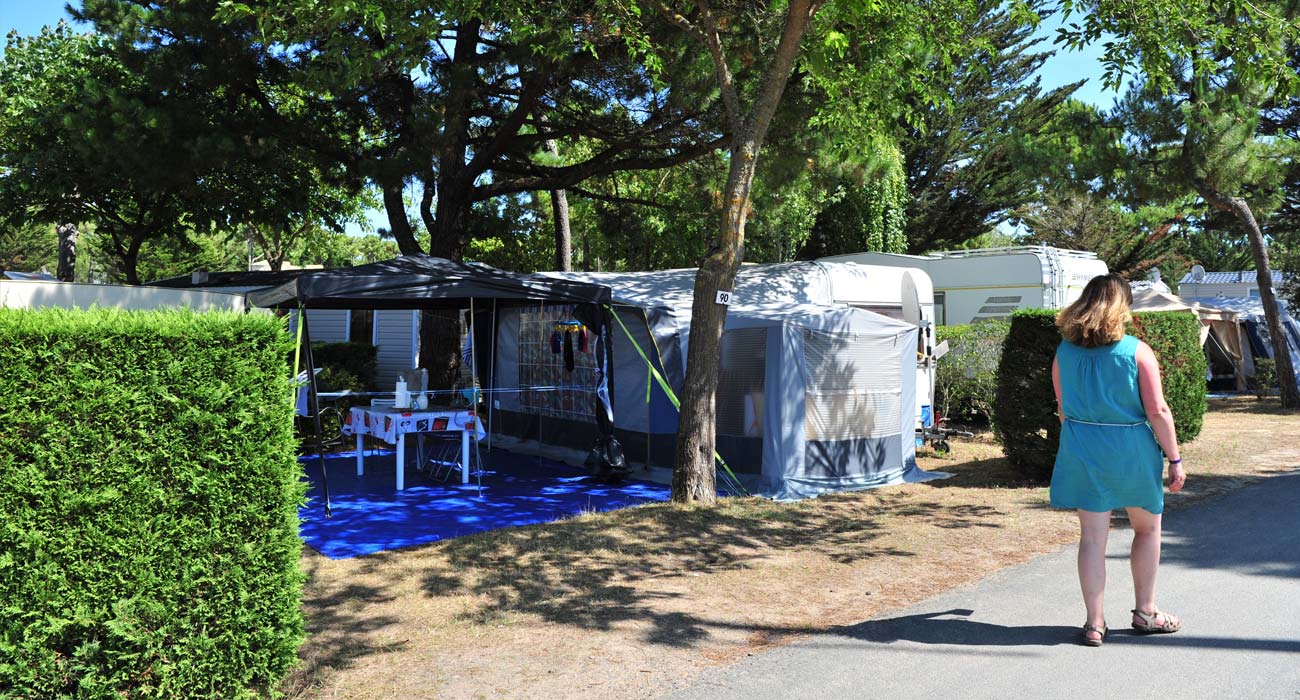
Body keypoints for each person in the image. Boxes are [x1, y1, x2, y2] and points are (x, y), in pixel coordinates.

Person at [1050, 274, 1188, 647]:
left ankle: (1095, 623)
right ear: (1122, 306)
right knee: (1146, 529)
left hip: (1083, 447)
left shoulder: (1064, 351)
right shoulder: (1136, 350)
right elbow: (1158, 410)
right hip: (1130, 448)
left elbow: (1062, 408)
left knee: (1093, 537)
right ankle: (1146, 611)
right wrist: (1175, 458)